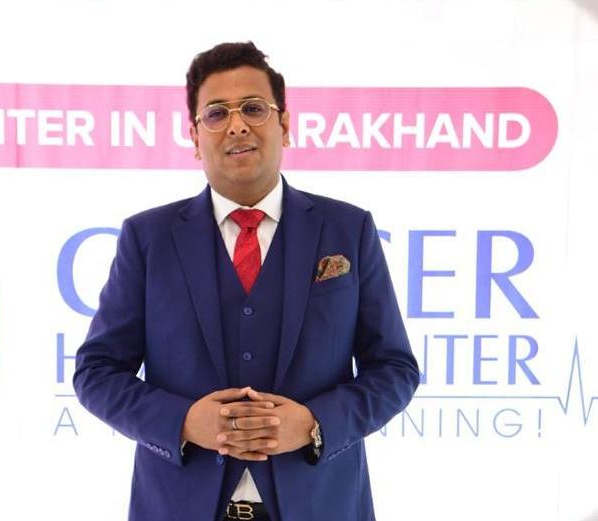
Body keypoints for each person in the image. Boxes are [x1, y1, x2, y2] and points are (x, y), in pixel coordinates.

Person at [73, 41, 419, 521]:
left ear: (285, 125)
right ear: (195, 137)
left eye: (254, 108)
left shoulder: (348, 230)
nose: (236, 125)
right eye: (216, 114)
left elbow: (395, 370)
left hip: (322, 506)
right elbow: (96, 372)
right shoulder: (147, 238)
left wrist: (316, 424)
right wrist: (183, 422)